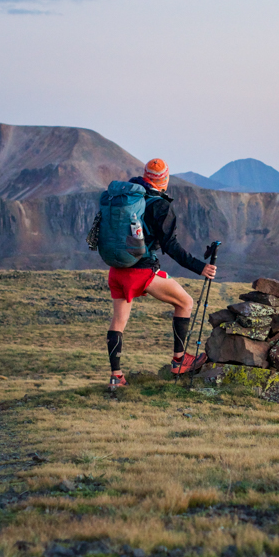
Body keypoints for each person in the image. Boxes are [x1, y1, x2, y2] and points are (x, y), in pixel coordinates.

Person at [106, 158, 217, 387]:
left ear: (144, 176)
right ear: (164, 180)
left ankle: (116, 376)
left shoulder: (129, 198)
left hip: (117, 271)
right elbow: (171, 247)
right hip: (139, 272)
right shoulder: (161, 205)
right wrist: (200, 267)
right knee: (185, 303)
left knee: (118, 321)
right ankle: (179, 361)